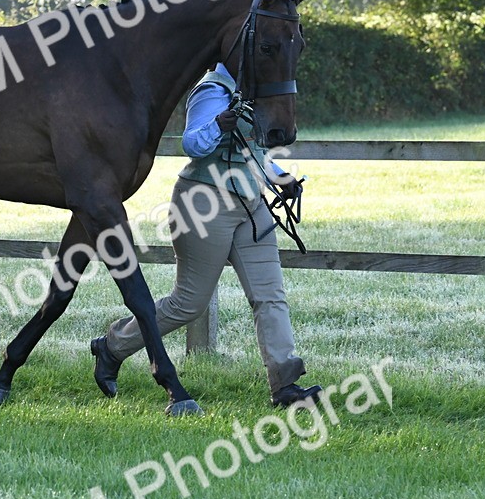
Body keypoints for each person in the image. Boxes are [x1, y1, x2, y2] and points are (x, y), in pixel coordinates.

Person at [90, 62, 322, 408]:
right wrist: (217, 124)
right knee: (188, 303)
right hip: (202, 203)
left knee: (270, 295)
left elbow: (252, 152)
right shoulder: (212, 90)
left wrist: (279, 177)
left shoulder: (253, 90)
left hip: (250, 205)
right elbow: (192, 144)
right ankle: (112, 346)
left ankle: (285, 385)